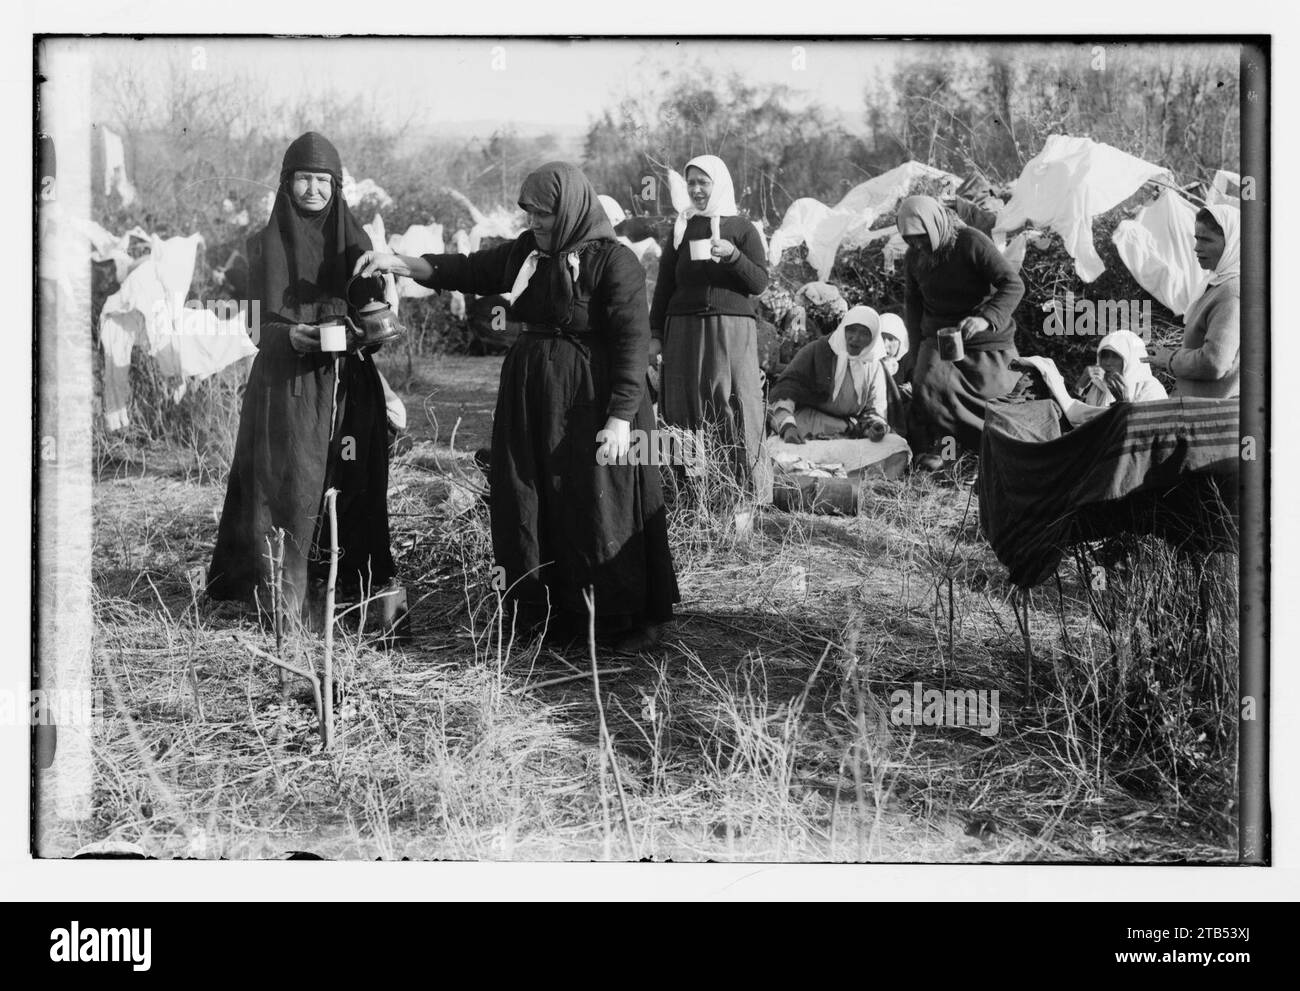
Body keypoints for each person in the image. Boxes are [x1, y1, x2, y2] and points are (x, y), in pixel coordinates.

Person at [357, 162, 679, 653]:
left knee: (594, 503)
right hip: (531, 398)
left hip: (592, 403)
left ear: (570, 209)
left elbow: (633, 345)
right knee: (529, 496)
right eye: (530, 214)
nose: (536, 224)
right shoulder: (530, 252)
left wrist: (618, 418)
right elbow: (467, 269)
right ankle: (545, 611)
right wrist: (397, 262)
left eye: (545, 215)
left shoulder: (615, 263)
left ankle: (612, 619)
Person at [208, 132, 395, 626]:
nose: (312, 189)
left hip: (348, 387)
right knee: (286, 488)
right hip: (284, 388)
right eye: (302, 179)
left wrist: (370, 328)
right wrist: (292, 337)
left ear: (336, 186)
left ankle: (353, 603)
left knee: (352, 484)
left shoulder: (358, 242)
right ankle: (285, 605)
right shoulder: (262, 244)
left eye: (322, 180)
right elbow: (254, 325)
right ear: (286, 183)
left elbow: (376, 318)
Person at [650, 155, 772, 508]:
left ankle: (741, 495)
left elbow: (760, 283)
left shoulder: (743, 228)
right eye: (691, 183)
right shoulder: (681, 228)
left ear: (719, 184)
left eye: (704, 182)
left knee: (731, 400)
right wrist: (655, 333)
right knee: (682, 404)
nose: (697, 190)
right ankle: (689, 492)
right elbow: (663, 287)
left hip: (729, 328)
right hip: (683, 328)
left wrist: (733, 256)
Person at [898, 195, 1025, 470]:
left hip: (984, 337)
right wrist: (915, 350)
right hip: (940, 337)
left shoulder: (971, 241)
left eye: (921, 236)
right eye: (910, 239)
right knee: (929, 389)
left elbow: (1012, 284)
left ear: (934, 225)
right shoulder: (913, 258)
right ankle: (948, 457)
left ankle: (991, 455)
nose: (918, 244)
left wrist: (985, 319)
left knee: (998, 399)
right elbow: (914, 306)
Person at [768, 305, 895, 443]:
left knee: (894, 445)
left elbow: (875, 410)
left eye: (864, 333)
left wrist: (874, 428)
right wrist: (788, 425)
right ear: (843, 328)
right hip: (807, 423)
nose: (855, 338)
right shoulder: (817, 351)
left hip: (849, 429)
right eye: (851, 330)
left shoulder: (874, 366)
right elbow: (786, 390)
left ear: (873, 338)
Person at [1150, 204, 1240, 399]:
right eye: (1197, 238)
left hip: (1206, 415)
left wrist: (1171, 359)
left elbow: (1215, 362)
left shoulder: (1231, 293)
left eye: (1206, 240)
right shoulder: (1217, 285)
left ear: (1231, 243)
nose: (1197, 248)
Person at [1019, 329, 1168, 426]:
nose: (1108, 363)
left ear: (1131, 358)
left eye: (1116, 356)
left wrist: (1125, 404)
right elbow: (1075, 422)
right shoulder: (1098, 386)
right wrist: (1079, 387)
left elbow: (1148, 434)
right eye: (1104, 356)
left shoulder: (1150, 389)